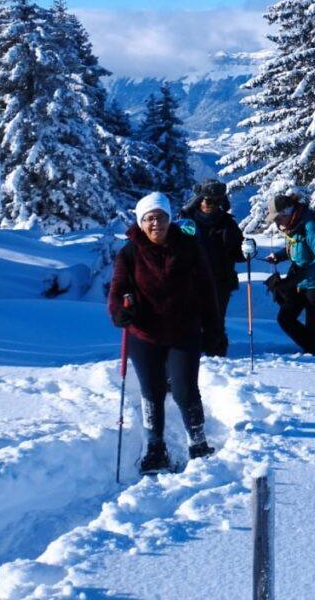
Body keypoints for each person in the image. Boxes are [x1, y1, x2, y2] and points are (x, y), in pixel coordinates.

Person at [108, 191, 227, 475]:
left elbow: (207, 291)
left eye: (160, 217)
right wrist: (120, 311)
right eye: (149, 218)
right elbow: (117, 290)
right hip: (144, 334)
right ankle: (155, 448)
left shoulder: (188, 247)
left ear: (169, 218)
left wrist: (214, 329)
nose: (155, 224)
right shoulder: (129, 253)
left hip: (184, 332)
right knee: (153, 392)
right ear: (140, 222)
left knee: (186, 390)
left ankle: (198, 443)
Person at [264, 194, 315, 358]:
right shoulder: (293, 225)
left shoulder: (310, 226)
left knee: (314, 324)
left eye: (277, 218)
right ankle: (314, 350)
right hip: (299, 280)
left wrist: (297, 277)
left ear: (287, 212)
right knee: (285, 318)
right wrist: (280, 256)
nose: (276, 222)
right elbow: (297, 247)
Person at [180, 179, 245, 328]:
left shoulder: (228, 223)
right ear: (199, 200)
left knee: (215, 324)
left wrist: (247, 250)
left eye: (218, 201)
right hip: (190, 281)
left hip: (220, 282)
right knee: (190, 323)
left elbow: (238, 254)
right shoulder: (185, 221)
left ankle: (215, 350)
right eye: (210, 201)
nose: (214, 205)